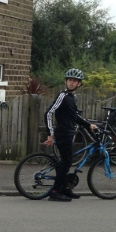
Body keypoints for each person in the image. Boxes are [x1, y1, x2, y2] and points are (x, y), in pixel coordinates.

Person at [43, 68, 97, 202]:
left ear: (79, 84)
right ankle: (55, 192)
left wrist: (88, 125)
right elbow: (48, 113)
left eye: (75, 81)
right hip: (62, 134)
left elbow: (75, 117)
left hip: (69, 134)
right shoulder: (63, 96)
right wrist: (50, 134)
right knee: (66, 163)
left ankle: (65, 188)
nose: (72, 83)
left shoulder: (72, 98)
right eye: (70, 80)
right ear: (66, 81)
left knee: (66, 162)